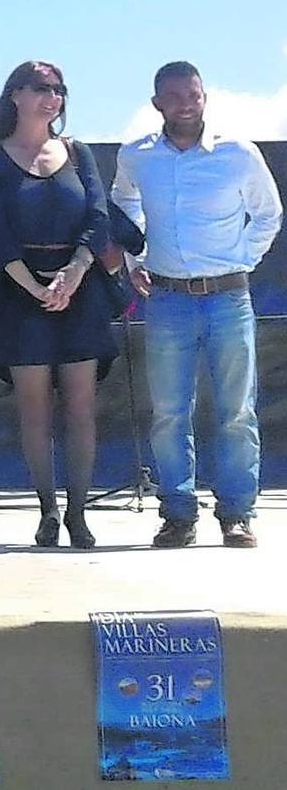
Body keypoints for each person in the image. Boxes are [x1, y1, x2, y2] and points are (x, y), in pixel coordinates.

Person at [111, 61, 282, 549]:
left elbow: (268, 215)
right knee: (168, 410)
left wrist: (238, 262)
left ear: (204, 97)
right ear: (157, 103)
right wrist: (134, 256)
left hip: (229, 297)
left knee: (235, 410)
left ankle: (237, 513)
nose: (186, 104)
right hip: (166, 299)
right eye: (175, 96)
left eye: (194, 95)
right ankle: (178, 514)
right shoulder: (138, 156)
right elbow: (123, 204)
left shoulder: (238, 153)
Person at [0, 61, 117, 549]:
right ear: (15, 94)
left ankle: (79, 512)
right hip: (20, 294)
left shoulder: (78, 153)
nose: (51, 97)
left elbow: (99, 218)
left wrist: (74, 273)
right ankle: (48, 512)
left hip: (80, 290)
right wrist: (34, 287)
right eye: (40, 88)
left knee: (81, 408)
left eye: (58, 90)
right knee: (33, 410)